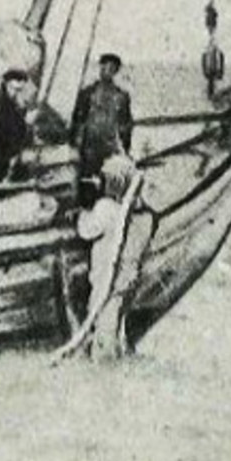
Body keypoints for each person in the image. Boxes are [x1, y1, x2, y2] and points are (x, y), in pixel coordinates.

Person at [74, 154, 154, 360]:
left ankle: (104, 364)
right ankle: (120, 351)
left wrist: (82, 212)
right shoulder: (144, 216)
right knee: (120, 322)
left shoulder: (106, 209)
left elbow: (86, 230)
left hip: (106, 282)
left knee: (104, 324)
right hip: (128, 278)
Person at [70, 52, 134, 182]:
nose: (106, 71)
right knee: (85, 183)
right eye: (104, 67)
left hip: (109, 150)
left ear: (115, 71)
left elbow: (125, 126)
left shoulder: (122, 97)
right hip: (88, 149)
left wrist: (126, 150)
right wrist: (73, 145)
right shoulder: (87, 93)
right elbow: (77, 120)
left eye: (111, 68)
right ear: (100, 68)